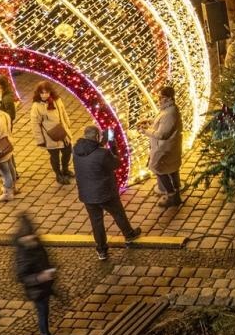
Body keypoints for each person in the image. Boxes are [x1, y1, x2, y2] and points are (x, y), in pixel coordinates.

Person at [73, 126, 140, 259]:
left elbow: (92, 150)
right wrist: (112, 145)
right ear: (97, 137)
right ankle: (129, 235)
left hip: (87, 195)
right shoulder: (103, 153)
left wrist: (102, 142)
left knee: (96, 222)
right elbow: (116, 163)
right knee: (118, 214)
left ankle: (101, 250)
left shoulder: (76, 150)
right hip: (105, 193)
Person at [12, 213, 62, 335]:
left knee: (45, 311)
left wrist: (50, 270)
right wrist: (39, 277)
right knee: (42, 313)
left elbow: (45, 257)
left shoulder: (35, 243)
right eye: (29, 236)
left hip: (45, 285)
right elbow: (21, 277)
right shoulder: (23, 255)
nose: (32, 237)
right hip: (37, 290)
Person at [29, 81, 74, 185]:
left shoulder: (57, 100)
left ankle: (65, 169)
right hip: (50, 136)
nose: (44, 95)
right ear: (38, 93)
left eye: (46, 92)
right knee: (55, 157)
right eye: (42, 93)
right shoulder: (36, 106)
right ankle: (58, 174)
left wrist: (67, 124)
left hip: (63, 133)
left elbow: (63, 112)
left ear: (50, 92)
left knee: (67, 152)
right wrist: (40, 140)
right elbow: (35, 124)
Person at [148, 84, 183, 207]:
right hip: (167, 147)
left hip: (164, 148)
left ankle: (171, 195)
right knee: (171, 169)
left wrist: (145, 131)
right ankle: (176, 194)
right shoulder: (167, 109)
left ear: (168, 98)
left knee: (158, 168)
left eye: (161, 97)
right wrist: (150, 123)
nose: (159, 99)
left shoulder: (169, 113)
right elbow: (162, 124)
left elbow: (162, 134)